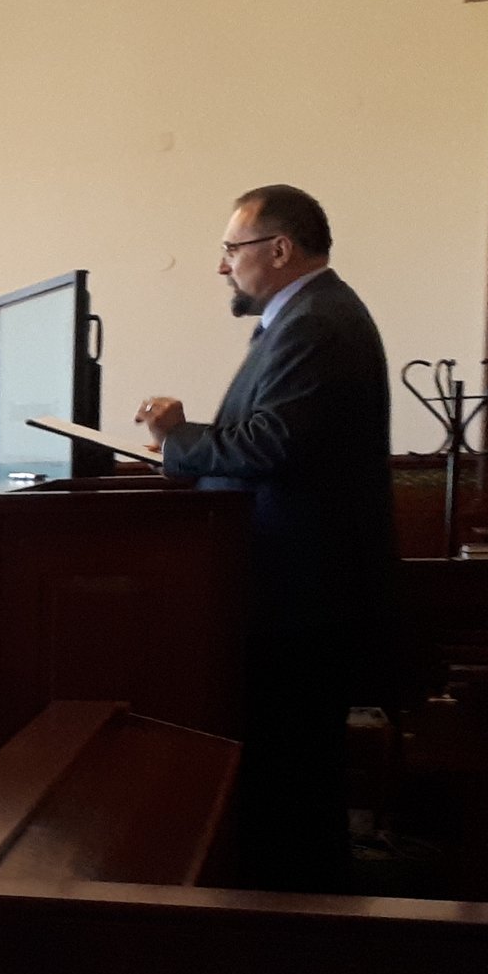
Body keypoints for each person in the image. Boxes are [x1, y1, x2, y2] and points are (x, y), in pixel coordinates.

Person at [136, 184, 396, 891]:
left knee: (294, 788)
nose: (223, 266)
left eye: (233, 249)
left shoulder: (318, 323)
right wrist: (185, 447)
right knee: (288, 785)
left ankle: (301, 929)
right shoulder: (306, 318)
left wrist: (177, 439)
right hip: (290, 594)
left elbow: (272, 445)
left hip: (299, 600)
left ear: (279, 250)